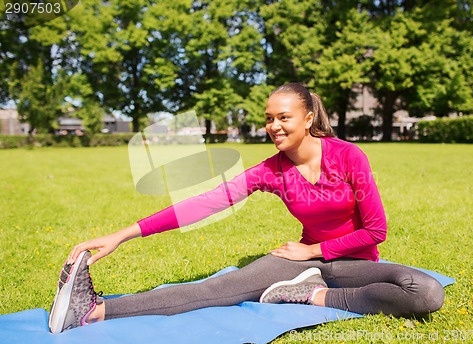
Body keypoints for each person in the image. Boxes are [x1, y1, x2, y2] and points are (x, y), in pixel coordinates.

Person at [48, 83, 445, 334]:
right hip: (299, 261)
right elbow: (203, 204)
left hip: (352, 263)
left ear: (308, 118)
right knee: (215, 290)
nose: (273, 126)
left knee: (424, 291)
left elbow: (376, 232)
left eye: (283, 117)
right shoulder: (269, 171)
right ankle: (96, 311)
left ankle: (310, 296)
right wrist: (122, 234)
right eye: (269, 119)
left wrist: (312, 251)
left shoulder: (348, 157)